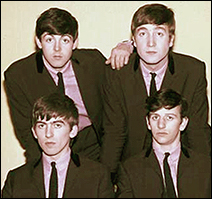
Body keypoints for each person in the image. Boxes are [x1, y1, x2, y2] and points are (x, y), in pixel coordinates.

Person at [100, 3, 211, 183]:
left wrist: (204, 174)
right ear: (134, 41)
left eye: (159, 34)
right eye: (143, 34)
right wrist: (106, 180)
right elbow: (114, 131)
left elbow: (197, 129)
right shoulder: (118, 73)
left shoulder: (192, 71)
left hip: (180, 166)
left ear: (171, 39)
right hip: (133, 169)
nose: (150, 43)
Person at [3, 7, 128, 164]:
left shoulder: (93, 62)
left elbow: (129, 76)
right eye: (49, 39)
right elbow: (27, 134)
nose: (57, 49)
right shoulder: (19, 75)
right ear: (38, 42)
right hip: (49, 152)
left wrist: (127, 45)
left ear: (75, 43)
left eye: (65, 40)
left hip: (94, 146)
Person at [1, 93, 114, 198]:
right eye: (41, 126)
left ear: (73, 131)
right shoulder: (16, 179)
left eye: (57, 125)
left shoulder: (97, 175)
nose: (48, 134)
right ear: (34, 132)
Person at [116, 88, 211, 198]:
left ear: (183, 123)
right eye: (155, 117)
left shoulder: (205, 167)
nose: (161, 125)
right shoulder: (130, 170)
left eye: (169, 117)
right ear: (148, 123)